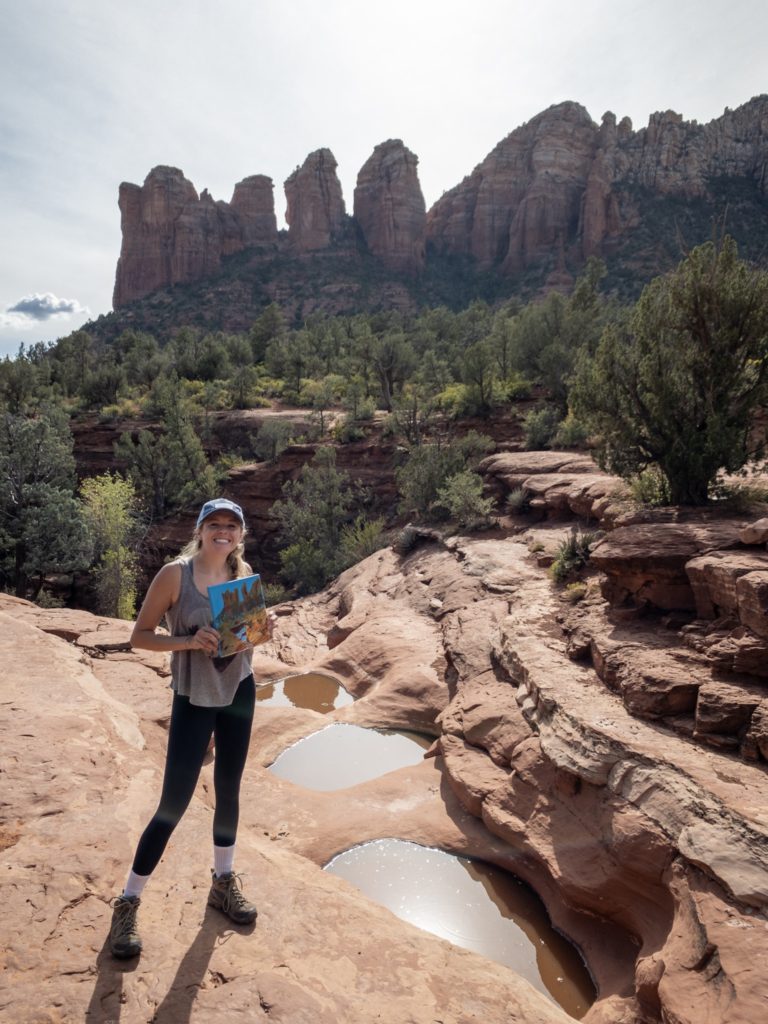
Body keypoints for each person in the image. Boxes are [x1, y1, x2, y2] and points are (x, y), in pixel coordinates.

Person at [109, 498, 265, 959]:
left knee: (229, 789)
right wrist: (189, 642)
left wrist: (262, 631)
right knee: (172, 804)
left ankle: (223, 882)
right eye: (214, 524)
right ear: (200, 530)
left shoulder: (243, 571)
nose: (223, 532)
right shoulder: (175, 575)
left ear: (240, 533)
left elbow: (246, 638)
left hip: (239, 689)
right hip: (194, 697)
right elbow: (139, 636)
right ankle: (128, 900)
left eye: (231, 525)